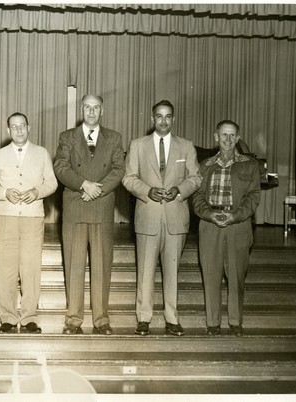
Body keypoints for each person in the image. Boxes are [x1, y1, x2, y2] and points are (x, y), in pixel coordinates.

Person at [122, 100, 201, 337]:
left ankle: (172, 319)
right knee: (145, 271)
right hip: (148, 215)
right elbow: (128, 178)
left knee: (172, 271)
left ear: (173, 119)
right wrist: (147, 191)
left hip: (176, 217)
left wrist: (180, 190)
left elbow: (196, 177)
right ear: (152, 119)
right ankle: (143, 318)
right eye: (159, 116)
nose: (163, 121)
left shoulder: (186, 146)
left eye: (168, 117)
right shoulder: (137, 145)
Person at [54, 94, 125, 335]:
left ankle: (101, 320)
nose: (92, 112)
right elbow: (61, 167)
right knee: (74, 265)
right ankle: (73, 320)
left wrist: (97, 189)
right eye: (87, 107)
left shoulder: (114, 138)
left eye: (96, 108)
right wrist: (84, 184)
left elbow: (119, 169)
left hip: (101, 206)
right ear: (81, 110)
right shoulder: (67, 137)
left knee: (102, 266)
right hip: (75, 206)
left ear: (102, 111)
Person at [0, 113, 58, 334]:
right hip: (5, 217)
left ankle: (29, 317)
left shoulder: (42, 153)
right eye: (14, 127)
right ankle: (7, 317)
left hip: (33, 217)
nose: (18, 130)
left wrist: (37, 192)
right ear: (8, 131)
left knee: (31, 268)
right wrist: (5, 193)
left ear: (29, 127)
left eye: (22, 126)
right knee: (5, 268)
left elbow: (52, 183)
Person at [192, 120, 260, 337]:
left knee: (236, 275)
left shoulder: (250, 165)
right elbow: (197, 196)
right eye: (224, 135)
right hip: (210, 224)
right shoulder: (204, 165)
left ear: (238, 138)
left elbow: (253, 196)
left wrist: (235, 216)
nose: (228, 140)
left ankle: (235, 321)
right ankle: (212, 322)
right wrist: (209, 214)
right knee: (211, 274)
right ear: (216, 137)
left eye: (232, 136)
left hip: (238, 225)